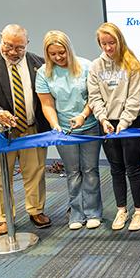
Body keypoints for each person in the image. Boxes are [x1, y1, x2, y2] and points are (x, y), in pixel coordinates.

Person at [0, 24, 51, 235]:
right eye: (8, 45)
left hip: (31, 129)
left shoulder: (39, 63)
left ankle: (36, 210)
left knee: (35, 172)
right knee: (0, 177)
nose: (13, 52)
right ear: (1, 39)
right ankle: (5, 218)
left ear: (27, 44)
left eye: (19, 47)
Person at [36, 30, 103, 230]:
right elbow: (47, 104)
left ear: (69, 49)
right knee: (73, 172)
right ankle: (76, 213)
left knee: (90, 170)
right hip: (64, 131)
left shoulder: (86, 66)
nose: (58, 57)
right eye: (53, 54)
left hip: (89, 127)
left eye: (61, 53)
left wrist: (83, 115)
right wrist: (55, 125)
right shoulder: (43, 73)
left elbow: (94, 97)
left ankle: (93, 213)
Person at [88, 22, 140, 231]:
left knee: (133, 168)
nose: (108, 48)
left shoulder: (132, 65)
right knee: (116, 169)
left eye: (112, 42)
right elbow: (94, 97)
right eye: (104, 44)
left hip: (130, 123)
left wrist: (122, 123)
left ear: (119, 41)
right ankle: (122, 210)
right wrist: (103, 120)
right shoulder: (95, 67)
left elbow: (134, 99)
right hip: (106, 123)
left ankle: (139, 211)